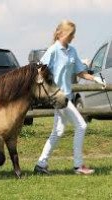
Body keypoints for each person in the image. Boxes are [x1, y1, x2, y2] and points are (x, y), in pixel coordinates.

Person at [34, 20, 106, 175]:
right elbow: (39, 69)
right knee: (82, 125)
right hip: (58, 96)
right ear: (61, 33)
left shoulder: (72, 51)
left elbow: (80, 72)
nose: (73, 37)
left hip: (67, 96)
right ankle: (78, 165)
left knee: (58, 131)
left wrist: (96, 79)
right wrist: (46, 85)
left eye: (73, 34)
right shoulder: (53, 50)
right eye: (70, 34)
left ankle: (41, 164)